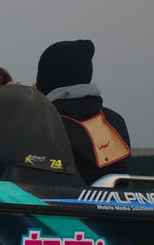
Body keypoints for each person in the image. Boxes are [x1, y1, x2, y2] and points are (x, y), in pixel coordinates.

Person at [35, 40, 131, 185]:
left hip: (58, 198)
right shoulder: (115, 121)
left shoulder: (44, 123)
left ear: (47, 77)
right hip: (114, 197)